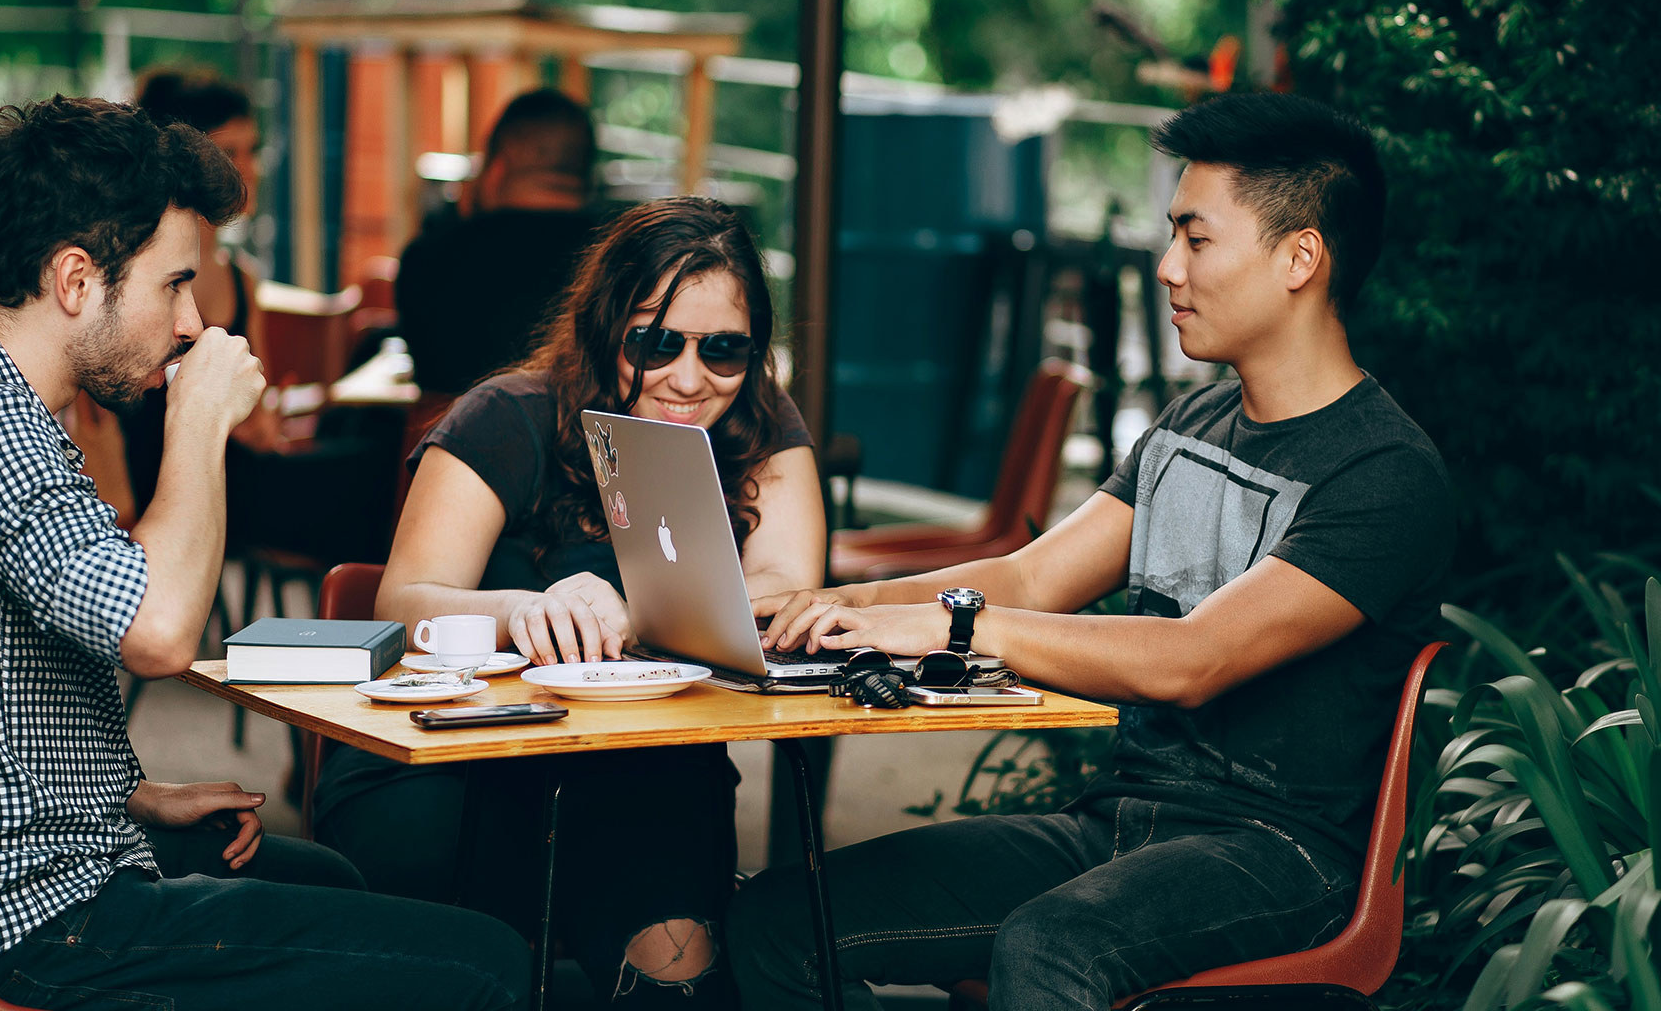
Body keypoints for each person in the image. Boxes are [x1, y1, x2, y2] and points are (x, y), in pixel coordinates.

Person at [0, 95, 529, 1011]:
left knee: (335, 882)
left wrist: (130, 799)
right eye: (173, 284)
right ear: (75, 280)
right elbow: (160, 634)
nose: (190, 322)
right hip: (39, 928)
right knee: (484, 963)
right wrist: (198, 424)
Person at [732, 92, 1455, 1010]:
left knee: (1051, 948)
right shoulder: (1192, 423)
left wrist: (955, 631)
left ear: (1300, 258)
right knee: (781, 921)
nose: (1166, 268)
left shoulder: (1384, 473)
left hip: (1282, 852)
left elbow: (1196, 659)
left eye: (1197, 239)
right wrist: (838, 608)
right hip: (1120, 824)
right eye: (1173, 236)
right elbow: (1034, 574)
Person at [313, 196, 826, 1006]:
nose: (690, 379)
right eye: (656, 344)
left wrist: (640, 609)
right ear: (604, 326)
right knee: (478, 966)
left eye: (724, 350)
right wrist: (524, 611)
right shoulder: (506, 416)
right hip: (462, 766)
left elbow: (789, 583)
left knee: (682, 984)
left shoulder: (758, 421)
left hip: (642, 775)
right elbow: (402, 597)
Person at [119, 66, 390, 562]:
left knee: (378, 444)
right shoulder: (138, 276)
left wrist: (276, 415)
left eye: (253, 151)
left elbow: (258, 418)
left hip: (240, 474)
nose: (249, 169)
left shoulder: (242, 279)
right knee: (383, 470)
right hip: (183, 485)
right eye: (229, 154)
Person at [394, 87, 606, 394]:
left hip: (451, 439)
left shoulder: (426, 258)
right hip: (579, 441)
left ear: (496, 169)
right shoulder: (619, 259)